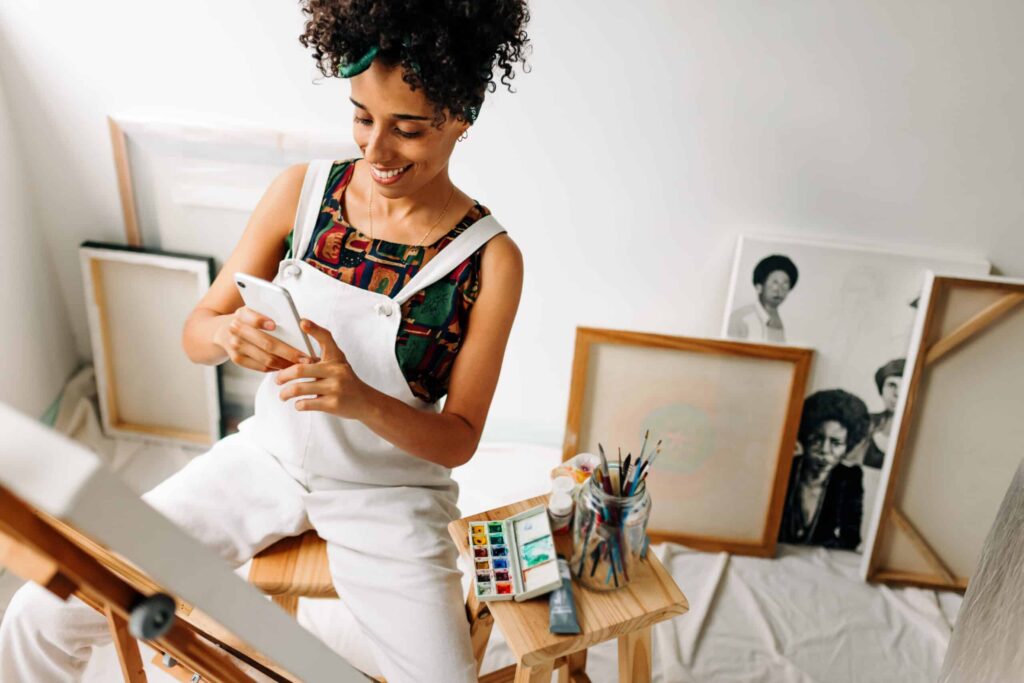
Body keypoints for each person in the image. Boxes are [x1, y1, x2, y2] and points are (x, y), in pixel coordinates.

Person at [0, 2, 530, 681]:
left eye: (409, 129)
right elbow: (196, 333)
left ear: (460, 117)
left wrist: (361, 400)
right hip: (268, 458)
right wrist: (229, 333)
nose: (376, 150)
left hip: (389, 492)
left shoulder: (489, 260)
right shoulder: (302, 193)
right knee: (40, 612)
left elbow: (459, 438)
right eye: (362, 117)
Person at [779, 389, 870, 550]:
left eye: (836, 443)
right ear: (804, 438)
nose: (825, 450)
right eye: (817, 439)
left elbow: (851, 538)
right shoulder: (785, 468)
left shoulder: (849, 478)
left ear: (848, 446)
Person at [727, 254, 799, 343]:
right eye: (775, 282)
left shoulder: (790, 323)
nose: (779, 290)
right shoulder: (741, 318)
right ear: (759, 287)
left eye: (785, 283)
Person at [857, 359, 905, 468]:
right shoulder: (866, 422)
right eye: (892, 385)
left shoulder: (919, 430)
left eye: (904, 386)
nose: (897, 394)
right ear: (881, 388)